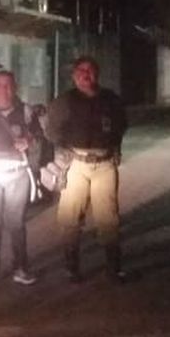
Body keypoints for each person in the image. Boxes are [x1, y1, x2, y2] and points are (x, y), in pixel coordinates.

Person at [45, 56, 130, 283]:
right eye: (81, 70)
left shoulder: (111, 100)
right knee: (70, 218)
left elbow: (121, 126)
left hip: (104, 164)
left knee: (109, 218)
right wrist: (63, 148)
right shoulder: (64, 102)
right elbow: (51, 131)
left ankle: (114, 269)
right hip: (76, 164)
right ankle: (71, 268)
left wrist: (115, 148)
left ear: (97, 74)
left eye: (90, 70)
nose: (86, 74)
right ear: (74, 76)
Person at [0, 70, 44, 285]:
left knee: (17, 223)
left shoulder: (26, 111)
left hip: (17, 173)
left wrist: (27, 141)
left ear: (15, 88)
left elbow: (38, 134)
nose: (3, 90)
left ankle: (20, 268)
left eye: (8, 86)